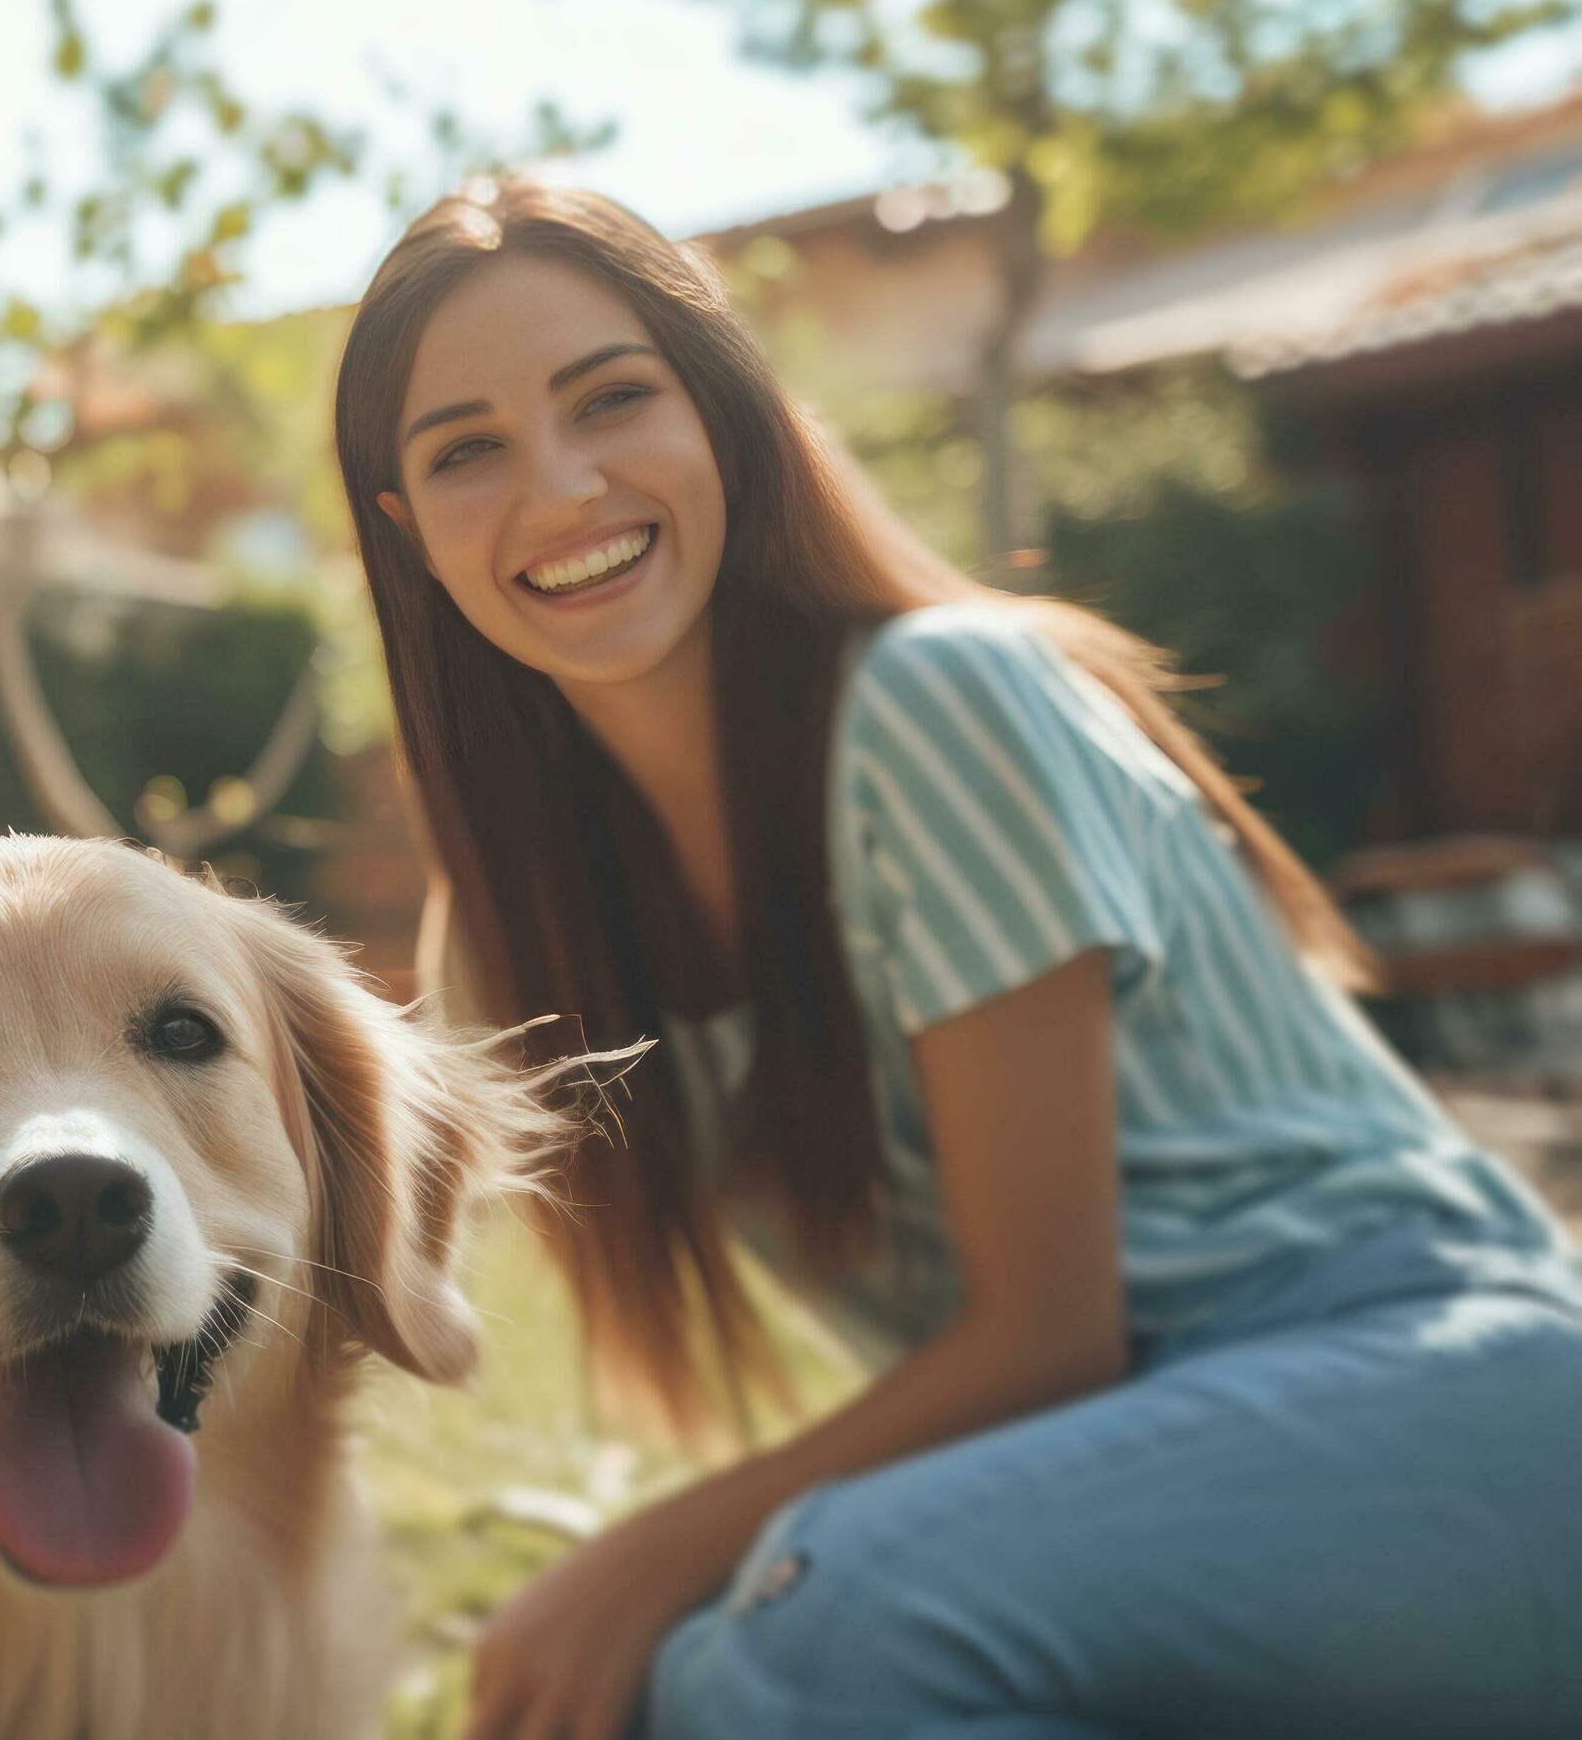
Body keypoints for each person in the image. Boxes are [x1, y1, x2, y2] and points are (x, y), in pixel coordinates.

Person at [333, 181, 1582, 1739]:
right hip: (1132, 1504)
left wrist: (648, 1551)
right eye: (467, 450)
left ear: (727, 412)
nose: (564, 484)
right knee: (697, 1691)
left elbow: (1055, 1336)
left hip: (1444, 1391)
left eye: (613, 399)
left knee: (814, 1624)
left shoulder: (940, 704)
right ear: (406, 528)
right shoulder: (522, 932)